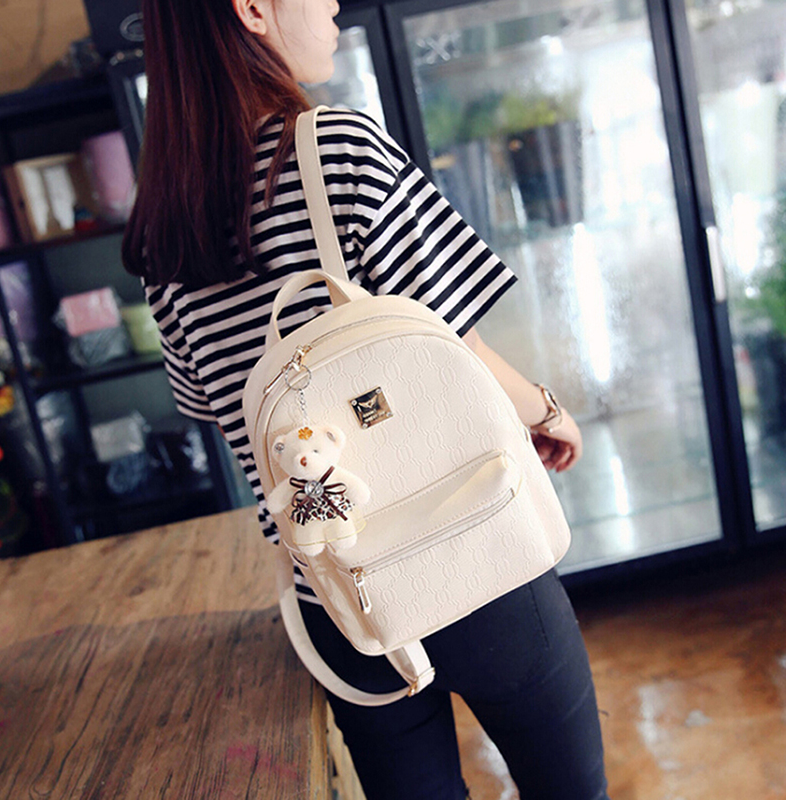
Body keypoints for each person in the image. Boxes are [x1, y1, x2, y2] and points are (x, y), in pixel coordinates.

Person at [122, 0, 611, 797]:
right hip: (469, 553)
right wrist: (549, 413)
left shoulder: (158, 230)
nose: (332, 5)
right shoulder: (335, 146)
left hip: (339, 600)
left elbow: (212, 409)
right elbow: (456, 344)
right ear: (253, 9)